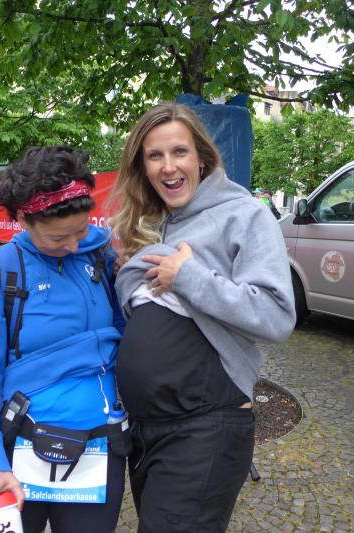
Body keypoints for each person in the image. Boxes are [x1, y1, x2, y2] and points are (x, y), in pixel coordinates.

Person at [108, 103, 297, 532]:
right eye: (155, 155)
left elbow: (276, 315)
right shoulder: (157, 225)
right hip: (148, 429)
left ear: (202, 159)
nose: (168, 166)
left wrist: (189, 276)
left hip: (204, 426)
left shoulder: (244, 214)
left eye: (180, 151)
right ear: (142, 167)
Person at [0, 145, 126, 533]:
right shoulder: (0, 269)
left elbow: (127, 338)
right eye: (58, 237)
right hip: (19, 446)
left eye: (81, 230)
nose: (73, 245)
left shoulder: (103, 256)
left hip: (99, 446)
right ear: (23, 219)